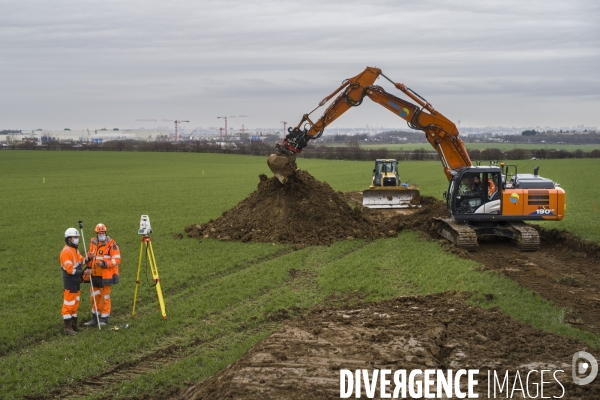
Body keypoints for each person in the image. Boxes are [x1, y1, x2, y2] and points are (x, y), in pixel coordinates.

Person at [83, 223, 121, 327]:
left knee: (105, 298)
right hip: (94, 275)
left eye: (103, 232)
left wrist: (104, 264)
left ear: (105, 232)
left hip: (105, 276)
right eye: (100, 233)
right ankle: (95, 318)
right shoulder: (93, 244)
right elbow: (89, 258)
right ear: (96, 233)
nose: (101, 234)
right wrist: (89, 258)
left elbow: (117, 260)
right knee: (94, 298)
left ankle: (104, 319)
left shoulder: (112, 245)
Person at [60, 228, 91, 335]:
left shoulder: (75, 250)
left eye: (77, 237)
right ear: (69, 239)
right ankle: (67, 328)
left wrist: (88, 260)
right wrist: (83, 273)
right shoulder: (66, 252)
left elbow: (81, 260)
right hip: (70, 282)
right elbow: (69, 270)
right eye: (75, 237)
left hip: (76, 281)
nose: (77, 239)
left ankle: (74, 325)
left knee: (75, 303)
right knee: (68, 304)